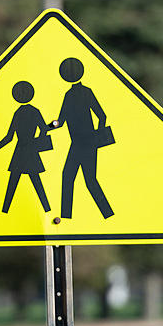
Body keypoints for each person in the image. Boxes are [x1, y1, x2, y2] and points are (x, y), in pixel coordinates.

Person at [50, 57, 114, 219]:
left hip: (86, 144)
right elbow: (62, 121)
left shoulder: (82, 93)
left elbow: (101, 115)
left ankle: (107, 214)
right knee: (72, 177)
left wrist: (97, 138)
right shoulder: (72, 94)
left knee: (87, 180)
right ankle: (66, 218)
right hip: (78, 144)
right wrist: (49, 126)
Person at [0, 81, 52, 214]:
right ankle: (47, 209)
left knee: (13, 183)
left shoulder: (18, 113)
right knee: (36, 182)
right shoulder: (34, 111)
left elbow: (9, 137)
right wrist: (38, 140)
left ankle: (4, 210)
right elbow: (44, 128)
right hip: (31, 150)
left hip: (20, 151)